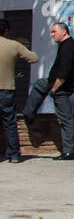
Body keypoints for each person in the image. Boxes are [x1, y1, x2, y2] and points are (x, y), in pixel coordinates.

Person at [23, 21, 74, 160]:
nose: (52, 35)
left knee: (66, 119)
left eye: (54, 31)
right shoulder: (68, 45)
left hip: (60, 87)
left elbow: (64, 71)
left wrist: (54, 89)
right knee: (39, 84)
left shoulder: (68, 48)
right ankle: (29, 113)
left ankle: (70, 152)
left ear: (64, 32)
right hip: (56, 84)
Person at [0, 18, 40, 163]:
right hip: (7, 89)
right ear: (6, 31)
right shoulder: (14, 45)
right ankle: (14, 155)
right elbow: (34, 58)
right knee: (9, 123)